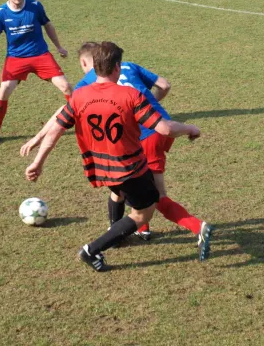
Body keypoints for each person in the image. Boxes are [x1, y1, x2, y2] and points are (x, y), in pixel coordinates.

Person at [24, 42, 209, 272]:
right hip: (129, 167)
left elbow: (56, 129)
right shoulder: (129, 96)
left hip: (100, 168)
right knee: (143, 214)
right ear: (117, 67)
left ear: (94, 67)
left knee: (119, 195)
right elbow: (165, 129)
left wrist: (38, 162)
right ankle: (91, 250)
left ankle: (117, 235)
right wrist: (190, 128)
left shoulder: (80, 96)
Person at [0, 0, 73, 145]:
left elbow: (48, 25)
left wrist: (59, 47)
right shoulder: (0, 13)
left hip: (40, 55)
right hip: (16, 58)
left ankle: (80, 119)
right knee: (4, 91)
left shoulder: (35, 6)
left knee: (66, 86)